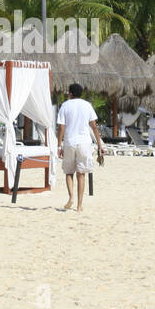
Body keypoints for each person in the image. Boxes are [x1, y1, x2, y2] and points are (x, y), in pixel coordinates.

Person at [56, 82, 103, 212]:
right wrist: (99, 144)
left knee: (69, 172)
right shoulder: (87, 105)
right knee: (81, 174)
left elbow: (61, 127)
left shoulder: (65, 105)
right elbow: (94, 126)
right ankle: (79, 205)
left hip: (70, 142)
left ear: (70, 93)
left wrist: (59, 146)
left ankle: (71, 197)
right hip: (84, 142)